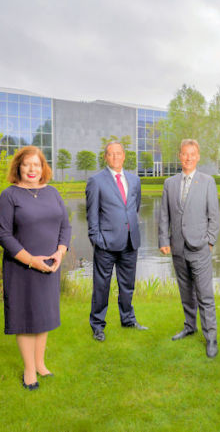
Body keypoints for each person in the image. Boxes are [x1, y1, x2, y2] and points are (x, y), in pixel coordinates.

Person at [0, 146, 71, 390]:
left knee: (44, 316)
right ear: (18, 167)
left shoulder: (52, 193)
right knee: (25, 317)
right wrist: (31, 260)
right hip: (22, 267)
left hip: (50, 266)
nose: (32, 169)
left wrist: (60, 252)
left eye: (37, 164)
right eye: (27, 164)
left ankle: (40, 364)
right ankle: (29, 370)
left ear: (43, 168)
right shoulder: (9, 196)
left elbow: (66, 226)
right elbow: (4, 235)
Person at [159, 139, 220, 358]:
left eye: (192, 154)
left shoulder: (207, 182)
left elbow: (214, 216)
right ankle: (189, 326)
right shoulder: (170, 183)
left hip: (199, 247)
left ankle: (211, 337)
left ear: (198, 156)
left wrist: (209, 241)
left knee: (205, 295)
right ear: (179, 156)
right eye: (185, 154)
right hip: (177, 247)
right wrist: (163, 240)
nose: (188, 158)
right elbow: (164, 214)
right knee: (185, 292)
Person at [86, 141, 146, 342]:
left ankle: (128, 319)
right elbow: (92, 214)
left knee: (127, 285)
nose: (115, 157)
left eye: (118, 154)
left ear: (124, 156)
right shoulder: (96, 181)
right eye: (111, 154)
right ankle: (97, 325)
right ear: (105, 157)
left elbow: (134, 208)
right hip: (106, 244)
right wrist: (96, 239)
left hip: (130, 242)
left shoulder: (134, 180)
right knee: (101, 286)